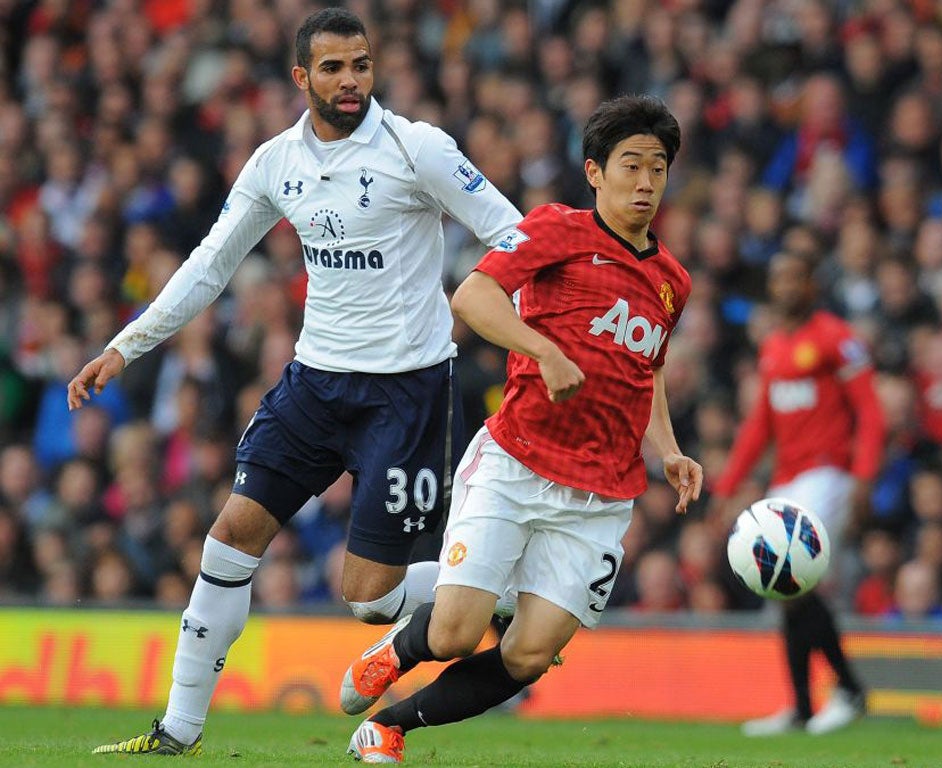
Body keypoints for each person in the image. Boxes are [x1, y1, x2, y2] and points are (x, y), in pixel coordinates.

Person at [71, 8, 522, 755]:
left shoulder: (418, 149)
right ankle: (177, 730)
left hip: (406, 393)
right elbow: (211, 264)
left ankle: (499, 589)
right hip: (315, 384)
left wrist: (537, 332)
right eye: (335, 68)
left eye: (362, 65)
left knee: (370, 602)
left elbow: (512, 233)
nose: (351, 81)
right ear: (301, 77)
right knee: (229, 537)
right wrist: (127, 345)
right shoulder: (276, 162)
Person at [338, 94, 704, 764]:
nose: (646, 182)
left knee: (530, 654)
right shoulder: (553, 231)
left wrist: (671, 450)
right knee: (452, 634)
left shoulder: (673, 281)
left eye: (658, 167)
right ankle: (396, 648)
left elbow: (644, 372)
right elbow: (473, 295)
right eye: (631, 165)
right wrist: (544, 349)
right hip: (517, 462)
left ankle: (389, 729)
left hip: (600, 496)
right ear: (595, 172)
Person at [713, 248, 885, 735]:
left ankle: (843, 692)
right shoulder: (773, 348)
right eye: (779, 278)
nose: (786, 286)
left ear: (811, 284)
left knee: (789, 581)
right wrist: (727, 487)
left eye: (795, 277)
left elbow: (870, 413)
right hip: (787, 480)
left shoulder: (837, 339)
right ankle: (809, 706)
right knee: (788, 590)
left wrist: (864, 476)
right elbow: (758, 428)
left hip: (827, 475)